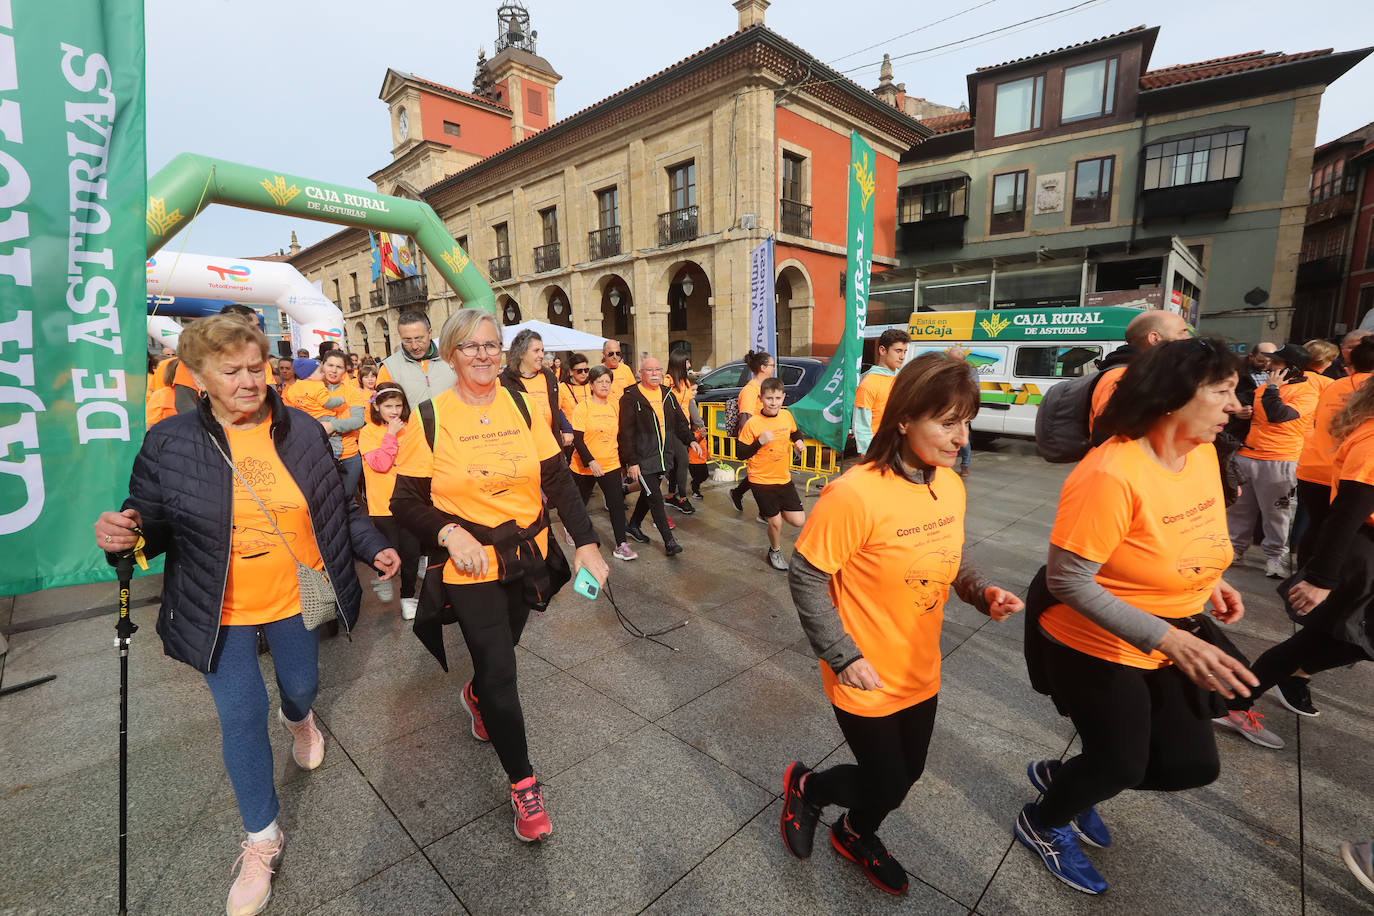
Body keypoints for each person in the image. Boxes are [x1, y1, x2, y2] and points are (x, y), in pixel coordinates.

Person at [93, 315, 399, 916]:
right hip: (217, 607)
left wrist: (369, 544)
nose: (248, 381)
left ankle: (300, 719)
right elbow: (145, 522)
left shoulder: (304, 430)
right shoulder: (171, 441)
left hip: (294, 595)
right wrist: (121, 535)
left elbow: (340, 502)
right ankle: (263, 838)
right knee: (240, 712)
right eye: (231, 371)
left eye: (256, 368)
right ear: (200, 377)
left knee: (301, 688)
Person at [1014, 337, 1256, 896]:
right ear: (1173, 397)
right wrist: (1171, 640)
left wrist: (1209, 577)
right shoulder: (1111, 473)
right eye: (1221, 393)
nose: (1235, 407)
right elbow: (1067, 580)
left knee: (1193, 766)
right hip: (1093, 639)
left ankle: (1064, 778)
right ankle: (1044, 820)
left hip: (1170, 630)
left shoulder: (1200, 454)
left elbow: (1182, 533)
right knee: (1120, 764)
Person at [779, 353, 1024, 895]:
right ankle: (810, 788)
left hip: (920, 665)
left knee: (905, 777)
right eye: (947, 421)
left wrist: (981, 592)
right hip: (863, 669)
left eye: (966, 420)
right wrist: (843, 655)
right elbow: (806, 576)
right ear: (904, 418)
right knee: (886, 778)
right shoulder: (855, 493)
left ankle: (854, 831)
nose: (961, 437)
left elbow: (949, 555)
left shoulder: (950, 485)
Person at [390, 308, 609, 843]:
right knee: (501, 668)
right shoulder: (430, 417)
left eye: (491, 344)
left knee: (502, 653)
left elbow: (555, 477)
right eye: (470, 347)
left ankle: (476, 694)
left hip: (527, 556)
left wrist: (586, 543)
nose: (484, 355)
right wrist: (448, 533)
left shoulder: (519, 402)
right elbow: (405, 500)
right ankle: (524, 784)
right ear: (450, 355)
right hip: (469, 566)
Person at [1217, 373, 1374, 747]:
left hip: (1359, 548)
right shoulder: (1371, 441)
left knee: (1333, 640)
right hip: (1360, 550)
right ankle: (1238, 700)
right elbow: (1348, 512)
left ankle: (1255, 692)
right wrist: (1322, 577)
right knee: (1329, 640)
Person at [1226, 343, 1317, 577]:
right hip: (1248, 455)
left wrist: (1273, 389)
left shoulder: (1306, 393)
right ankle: (1234, 551)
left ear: (1292, 369)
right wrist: (1242, 413)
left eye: (1276, 362)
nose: (1269, 365)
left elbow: (1278, 415)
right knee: (1239, 510)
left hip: (1280, 460)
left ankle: (1275, 559)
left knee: (1276, 514)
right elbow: (1251, 413)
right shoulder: (1263, 388)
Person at [360, 383, 423, 618]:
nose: (394, 411)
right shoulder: (368, 432)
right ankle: (383, 576)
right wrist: (390, 435)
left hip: (410, 502)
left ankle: (408, 598)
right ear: (377, 406)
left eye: (398, 405)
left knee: (411, 553)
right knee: (389, 550)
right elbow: (380, 464)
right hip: (383, 505)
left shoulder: (411, 427)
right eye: (388, 406)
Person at [619, 356, 691, 556]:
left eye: (657, 370)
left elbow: (680, 422)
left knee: (648, 493)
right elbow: (626, 433)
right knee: (656, 497)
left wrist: (691, 440)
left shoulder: (668, 394)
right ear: (640, 374)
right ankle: (669, 542)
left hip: (663, 457)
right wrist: (631, 461)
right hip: (642, 458)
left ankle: (633, 525)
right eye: (649, 370)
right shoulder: (630, 397)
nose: (654, 374)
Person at [737, 377, 806, 570]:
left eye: (777, 398)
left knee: (798, 521)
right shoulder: (753, 424)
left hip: (783, 478)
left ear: (783, 397)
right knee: (776, 522)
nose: (773, 402)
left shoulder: (786, 416)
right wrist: (759, 442)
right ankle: (774, 551)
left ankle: (771, 511)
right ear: (761, 398)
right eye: (769, 398)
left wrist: (798, 441)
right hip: (761, 480)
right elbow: (741, 454)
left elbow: (795, 432)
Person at [570, 365, 636, 560]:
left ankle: (621, 544)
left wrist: (625, 463)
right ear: (591, 385)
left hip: (611, 464)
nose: (604, 385)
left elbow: (622, 436)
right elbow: (578, 439)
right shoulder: (583, 407)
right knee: (579, 504)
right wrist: (590, 461)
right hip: (584, 465)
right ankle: (573, 531)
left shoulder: (614, 406)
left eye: (608, 381)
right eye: (600, 381)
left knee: (616, 504)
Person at [1089, 309, 1193, 429]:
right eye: (1182, 332)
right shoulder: (1122, 377)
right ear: (1155, 339)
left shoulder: (1145, 374)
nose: (1188, 338)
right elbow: (1111, 434)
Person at [307, 351, 368, 500]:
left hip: (349, 455)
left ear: (345, 369)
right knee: (324, 502)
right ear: (323, 365)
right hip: (319, 455)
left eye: (339, 367)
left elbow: (358, 420)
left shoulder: (352, 392)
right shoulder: (310, 389)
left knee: (347, 500)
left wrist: (332, 426)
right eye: (330, 365)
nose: (334, 370)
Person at [501, 328, 572, 445]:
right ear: (521, 354)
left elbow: (555, 407)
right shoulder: (505, 381)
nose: (541, 355)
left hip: (551, 448)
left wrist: (566, 428)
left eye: (542, 350)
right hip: (523, 449)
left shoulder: (549, 377)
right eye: (536, 351)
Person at [377, 310, 457, 408]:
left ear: (430, 333)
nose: (414, 346)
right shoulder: (389, 368)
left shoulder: (453, 358)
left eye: (419, 338)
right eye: (407, 340)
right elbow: (383, 410)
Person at [729, 350, 775, 514]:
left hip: (766, 437)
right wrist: (752, 443)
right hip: (755, 439)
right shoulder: (750, 390)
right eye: (772, 365)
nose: (774, 368)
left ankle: (737, 493)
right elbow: (746, 418)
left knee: (763, 473)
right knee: (761, 476)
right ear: (763, 368)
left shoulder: (763, 388)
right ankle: (765, 512)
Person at [853, 329, 909, 455]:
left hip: (898, 452)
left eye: (905, 351)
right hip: (878, 455)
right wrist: (872, 457)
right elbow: (861, 427)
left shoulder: (901, 379)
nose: (902, 357)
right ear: (882, 350)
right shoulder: (868, 383)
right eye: (898, 351)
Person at [663, 350, 697, 515]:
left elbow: (691, 405)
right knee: (683, 461)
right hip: (671, 429)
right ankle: (682, 498)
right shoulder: (667, 381)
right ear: (678, 363)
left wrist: (698, 425)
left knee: (678, 464)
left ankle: (670, 496)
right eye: (686, 362)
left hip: (685, 429)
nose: (689, 365)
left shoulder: (686, 382)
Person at [601, 339, 636, 403]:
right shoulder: (598, 371)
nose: (615, 356)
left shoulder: (626, 369)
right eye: (611, 354)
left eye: (618, 353)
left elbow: (633, 391)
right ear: (604, 354)